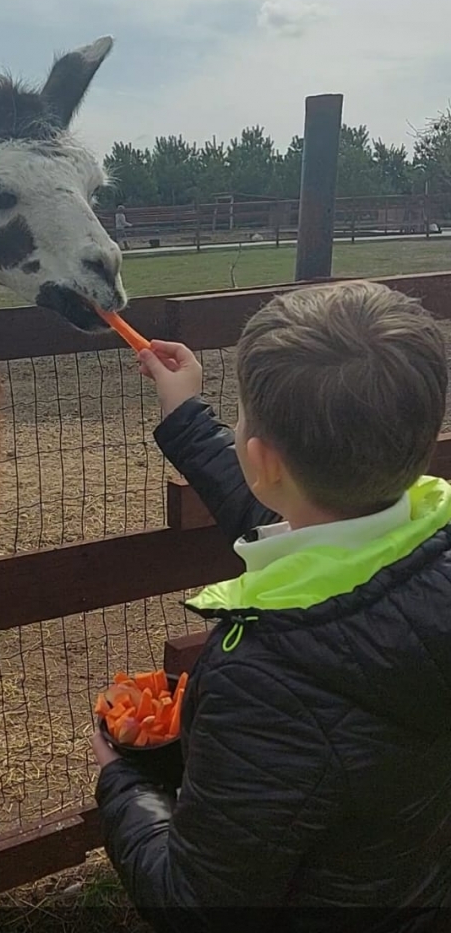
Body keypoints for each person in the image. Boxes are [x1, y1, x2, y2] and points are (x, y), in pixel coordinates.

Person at [92, 280, 451, 933]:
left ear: (262, 459)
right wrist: (186, 418)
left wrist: (125, 780)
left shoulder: (265, 685)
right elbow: (277, 515)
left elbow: (194, 904)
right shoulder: (423, 551)